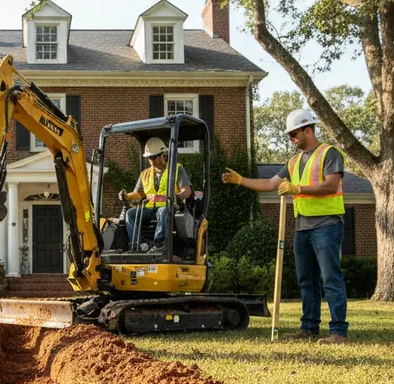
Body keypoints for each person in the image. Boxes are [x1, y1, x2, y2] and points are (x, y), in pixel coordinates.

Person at [221, 109, 349, 344]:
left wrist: (297, 189)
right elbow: (270, 183)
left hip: (327, 225)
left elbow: (331, 186)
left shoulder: (329, 154)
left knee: (330, 279)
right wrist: (241, 181)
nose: (291, 138)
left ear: (308, 130)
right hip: (302, 228)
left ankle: (338, 331)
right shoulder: (293, 162)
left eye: (294, 133)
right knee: (306, 281)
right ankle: (309, 328)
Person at [119, 137, 193, 251]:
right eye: (149, 157)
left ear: (161, 155)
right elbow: (139, 194)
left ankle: (159, 245)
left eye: (153, 157)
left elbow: (187, 191)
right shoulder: (145, 173)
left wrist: (174, 196)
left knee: (162, 211)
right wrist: (127, 196)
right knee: (130, 214)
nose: (150, 160)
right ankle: (137, 244)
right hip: (150, 209)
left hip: (169, 208)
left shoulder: (176, 169)